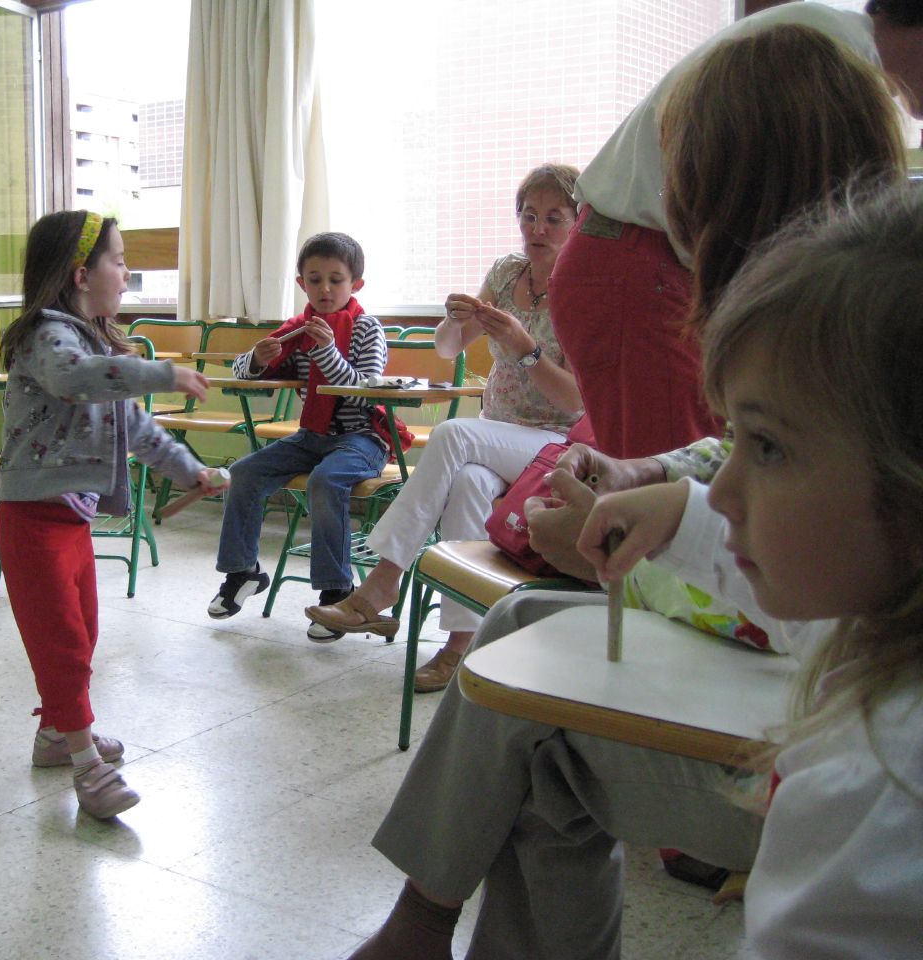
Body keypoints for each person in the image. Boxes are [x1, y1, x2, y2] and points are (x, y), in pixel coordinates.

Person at [343, 29, 910, 960]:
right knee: (517, 609)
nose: (661, 205)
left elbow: (798, 586)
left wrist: (648, 539)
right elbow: (731, 465)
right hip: (776, 669)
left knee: (535, 717)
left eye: (681, 183)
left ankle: (418, 916)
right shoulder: (834, 335)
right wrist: (657, 488)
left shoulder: (841, 345)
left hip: (779, 715)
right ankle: (420, 915)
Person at [577, 183, 923, 959]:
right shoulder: (884, 619)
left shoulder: (880, 786)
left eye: (766, 446)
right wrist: (686, 519)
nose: (724, 489)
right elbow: (817, 618)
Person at [527, 19, 908, 583]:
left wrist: (637, 570)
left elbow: (806, 596)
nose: (727, 488)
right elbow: (744, 450)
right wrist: (654, 474)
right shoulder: (824, 328)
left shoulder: (855, 358)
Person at [549, 0, 923, 461]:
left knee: (693, 474)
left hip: (646, 260)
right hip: (639, 264)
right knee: (674, 489)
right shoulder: (833, 54)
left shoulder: (827, 39)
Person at [303, 164, 583, 688]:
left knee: (453, 433)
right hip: (495, 436)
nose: (537, 229)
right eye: (528, 216)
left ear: (577, 220)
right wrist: (456, 320)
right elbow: (448, 347)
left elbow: (578, 399)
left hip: (554, 444)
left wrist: (525, 350)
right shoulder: (505, 273)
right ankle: (461, 647)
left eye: (553, 217)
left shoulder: (585, 290)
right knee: (470, 485)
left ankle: (382, 584)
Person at [0, 210, 222, 820]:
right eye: (118, 261)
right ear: (79, 274)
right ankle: (85, 767)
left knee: (82, 634)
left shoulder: (96, 343)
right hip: (31, 522)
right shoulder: (49, 336)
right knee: (63, 645)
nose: (126, 273)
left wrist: (187, 468)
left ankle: (52, 736)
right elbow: (74, 381)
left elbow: (136, 428)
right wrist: (162, 372)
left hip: (70, 523)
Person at [206, 232, 401, 637]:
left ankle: (336, 592)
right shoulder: (298, 330)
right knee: (243, 472)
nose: (325, 289)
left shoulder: (368, 329)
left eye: (336, 279)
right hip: (312, 436)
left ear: (355, 285)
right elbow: (243, 370)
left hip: (362, 439)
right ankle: (243, 572)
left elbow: (367, 393)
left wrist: (327, 353)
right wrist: (255, 359)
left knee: (326, 480)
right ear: (302, 284)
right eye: (315, 280)